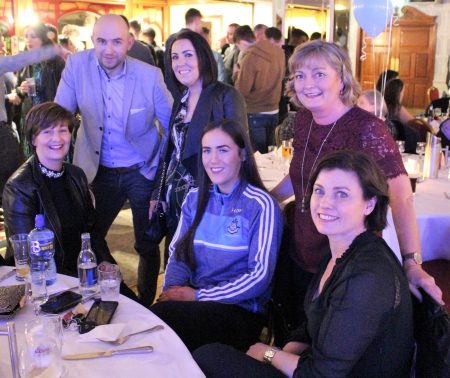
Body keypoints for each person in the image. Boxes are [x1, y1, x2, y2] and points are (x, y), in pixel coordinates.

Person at [270, 40, 442, 341]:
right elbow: (299, 174)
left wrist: (412, 263)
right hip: (299, 247)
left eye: (319, 74)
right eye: (299, 75)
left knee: (326, 346)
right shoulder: (303, 121)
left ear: (342, 78)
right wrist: (266, 199)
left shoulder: (367, 129)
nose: (307, 84)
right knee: (293, 333)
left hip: (342, 262)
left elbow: (401, 197)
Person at [193, 150, 414, 378]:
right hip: (312, 366)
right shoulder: (339, 250)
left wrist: (269, 354)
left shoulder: (367, 276)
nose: (325, 203)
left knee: (210, 356)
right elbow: (310, 326)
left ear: (369, 204)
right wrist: (279, 355)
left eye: (342, 194)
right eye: (320, 191)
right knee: (212, 353)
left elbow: (320, 374)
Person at [55, 14, 173, 307]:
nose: (109, 50)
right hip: (98, 171)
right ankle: (104, 297)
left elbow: (172, 125)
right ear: (92, 41)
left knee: (147, 243)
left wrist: (160, 169)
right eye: (102, 41)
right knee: (90, 237)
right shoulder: (77, 66)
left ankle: (147, 305)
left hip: (141, 170)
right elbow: (58, 116)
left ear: (129, 42)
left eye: (117, 42)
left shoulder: (149, 75)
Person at [150, 119, 282, 352]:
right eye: (207, 151)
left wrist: (198, 296)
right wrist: (170, 292)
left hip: (239, 310)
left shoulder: (261, 205)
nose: (213, 160)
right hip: (196, 300)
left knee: (159, 326)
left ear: (242, 154)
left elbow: (259, 276)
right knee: (153, 322)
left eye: (223, 150)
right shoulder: (194, 198)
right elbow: (179, 255)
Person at [2, 102, 136, 300]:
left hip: (86, 271)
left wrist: (106, 263)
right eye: (47, 132)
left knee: (132, 306)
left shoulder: (76, 175)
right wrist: (76, 284)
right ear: (33, 138)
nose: (57, 138)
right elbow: (29, 257)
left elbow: (92, 231)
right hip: (50, 284)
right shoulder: (20, 186)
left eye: (63, 130)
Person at [160, 29, 247, 250]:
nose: (181, 63)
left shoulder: (225, 95)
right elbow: (172, 151)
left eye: (188, 55)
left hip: (208, 199)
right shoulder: (181, 99)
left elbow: (239, 152)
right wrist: (159, 191)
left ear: (203, 57)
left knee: (204, 263)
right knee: (175, 263)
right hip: (175, 200)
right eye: (175, 57)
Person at [234, 25, 285, 153]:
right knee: (270, 155)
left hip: (255, 112)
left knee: (257, 159)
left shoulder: (250, 57)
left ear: (242, 43)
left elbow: (241, 90)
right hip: (274, 110)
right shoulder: (279, 52)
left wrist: (237, 74)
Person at [16, 22, 65, 157]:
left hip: (49, 120)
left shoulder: (55, 62)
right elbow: (18, 92)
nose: (29, 40)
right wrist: (21, 90)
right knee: (31, 160)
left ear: (43, 38)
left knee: (50, 158)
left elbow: (65, 91)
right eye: (26, 36)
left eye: (33, 36)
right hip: (29, 119)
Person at [164, 8, 203, 97]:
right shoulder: (194, 39)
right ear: (196, 21)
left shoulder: (171, 38)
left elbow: (168, 66)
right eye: (200, 23)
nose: (200, 27)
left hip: (172, 87)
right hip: (189, 89)